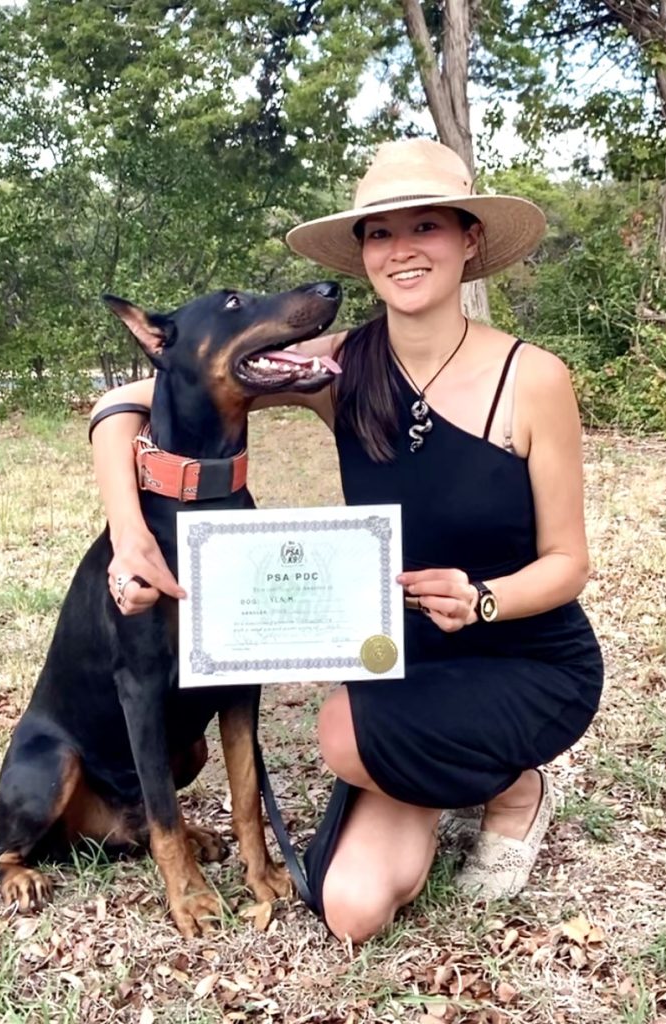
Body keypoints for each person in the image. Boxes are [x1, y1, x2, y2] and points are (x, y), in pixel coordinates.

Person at [89, 138, 603, 944]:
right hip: (403, 661)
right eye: (380, 233)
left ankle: (513, 790)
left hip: (524, 655)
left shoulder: (533, 377)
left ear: (469, 239)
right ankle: (434, 772)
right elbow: (128, 400)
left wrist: (482, 599)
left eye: (426, 226)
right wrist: (127, 531)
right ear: (363, 252)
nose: (402, 250)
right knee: (353, 910)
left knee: (339, 729)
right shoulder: (341, 366)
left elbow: (569, 564)